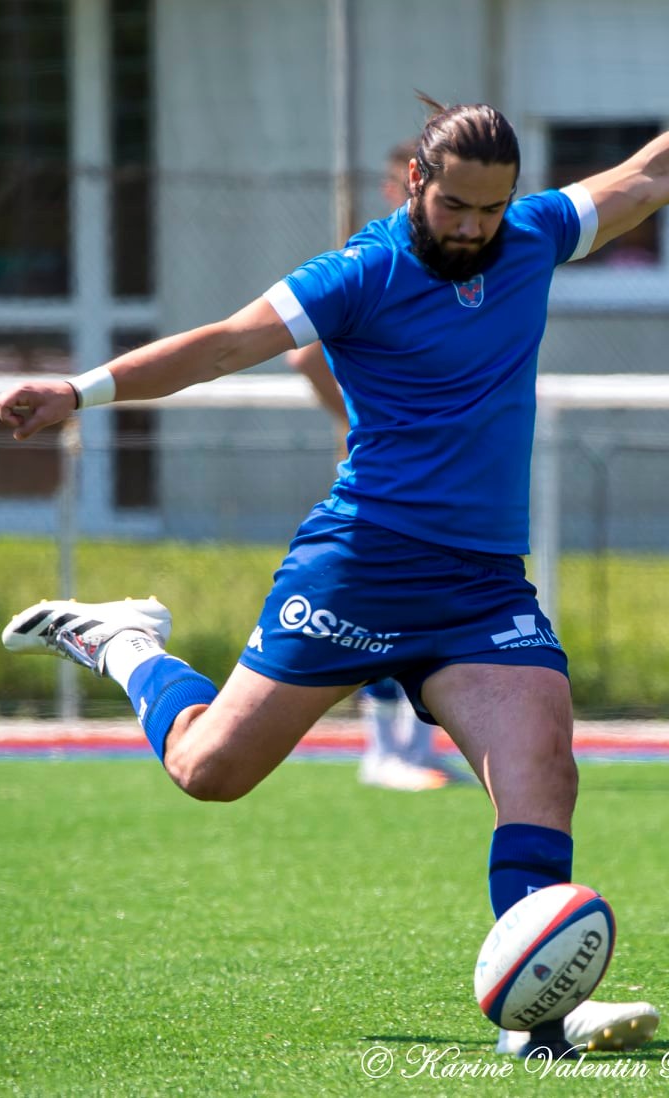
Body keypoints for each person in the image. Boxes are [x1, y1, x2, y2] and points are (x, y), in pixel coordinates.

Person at [0, 31, 669, 1058]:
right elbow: (224, 343)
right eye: (457, 205)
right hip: (360, 563)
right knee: (211, 769)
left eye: (493, 208)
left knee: (542, 757)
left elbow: (655, 173)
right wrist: (81, 390)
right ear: (419, 178)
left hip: (480, 587)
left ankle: (540, 1013)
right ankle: (128, 643)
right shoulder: (359, 271)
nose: (477, 226)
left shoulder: (533, 235)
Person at [286, 140, 471, 792]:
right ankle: (383, 750)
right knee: (377, 614)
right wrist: (358, 416)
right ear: (405, 189)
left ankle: (414, 748)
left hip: (441, 487)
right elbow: (300, 356)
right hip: (382, 485)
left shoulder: (457, 273)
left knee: (431, 615)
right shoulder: (370, 263)